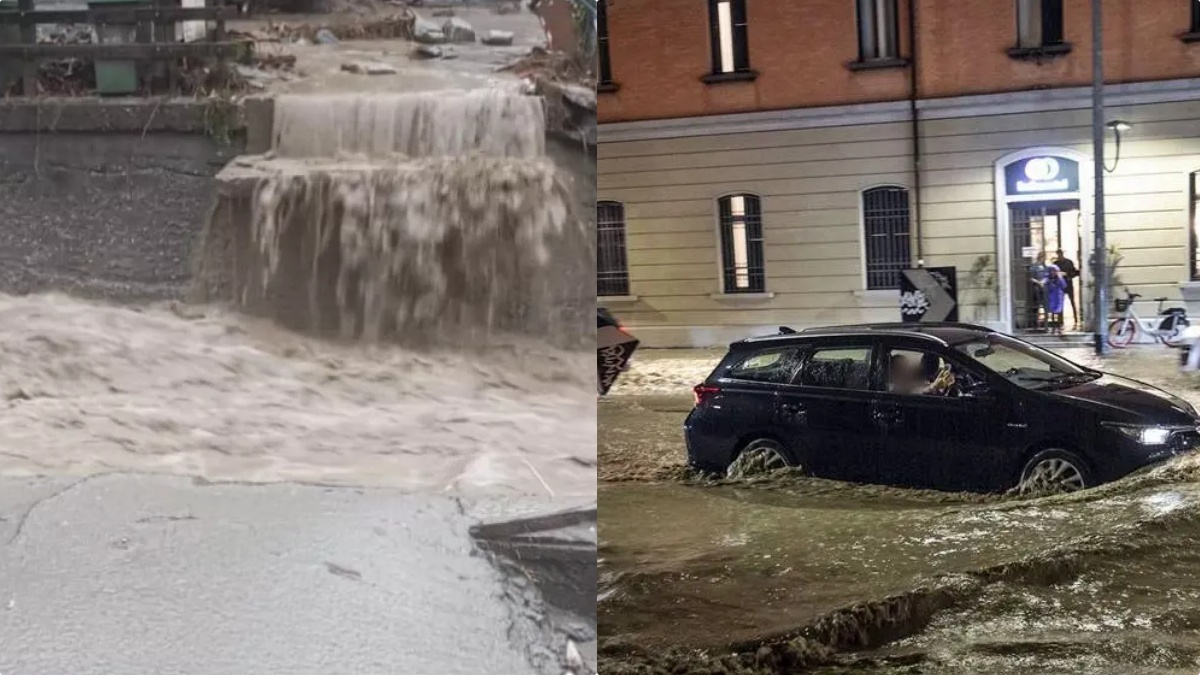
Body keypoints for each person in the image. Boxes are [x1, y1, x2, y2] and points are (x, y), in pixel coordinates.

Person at [888, 353, 955, 396]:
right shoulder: (892, 389)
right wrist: (932, 387)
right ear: (893, 372)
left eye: (907, 366)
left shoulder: (907, 385)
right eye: (903, 368)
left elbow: (914, 389)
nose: (909, 371)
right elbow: (914, 392)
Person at [1053, 249, 1080, 329]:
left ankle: (1076, 320)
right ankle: (1060, 322)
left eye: (1060, 254)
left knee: (1072, 302)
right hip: (1060, 285)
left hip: (1068, 284)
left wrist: (1067, 275)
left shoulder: (1069, 262)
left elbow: (1074, 272)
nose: (1059, 256)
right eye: (1058, 254)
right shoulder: (1055, 264)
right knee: (1060, 303)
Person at [1045, 264, 1067, 336]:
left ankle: (1060, 327)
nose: (1053, 273)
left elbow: (1064, 285)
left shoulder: (1059, 279)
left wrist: (1060, 277)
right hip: (1052, 297)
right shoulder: (1049, 279)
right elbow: (1045, 283)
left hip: (1058, 297)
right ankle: (1054, 327)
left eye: (1054, 271)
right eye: (1052, 271)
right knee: (1052, 313)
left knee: (1059, 312)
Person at [1028, 252, 1048, 330]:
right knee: (1036, 306)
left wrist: (1044, 281)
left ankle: (1045, 325)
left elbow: (1047, 276)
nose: (1044, 259)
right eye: (1043, 257)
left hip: (1044, 288)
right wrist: (1038, 282)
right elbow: (1030, 277)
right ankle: (1034, 324)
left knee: (1045, 306)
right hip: (1036, 288)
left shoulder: (1045, 266)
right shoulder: (1034, 266)